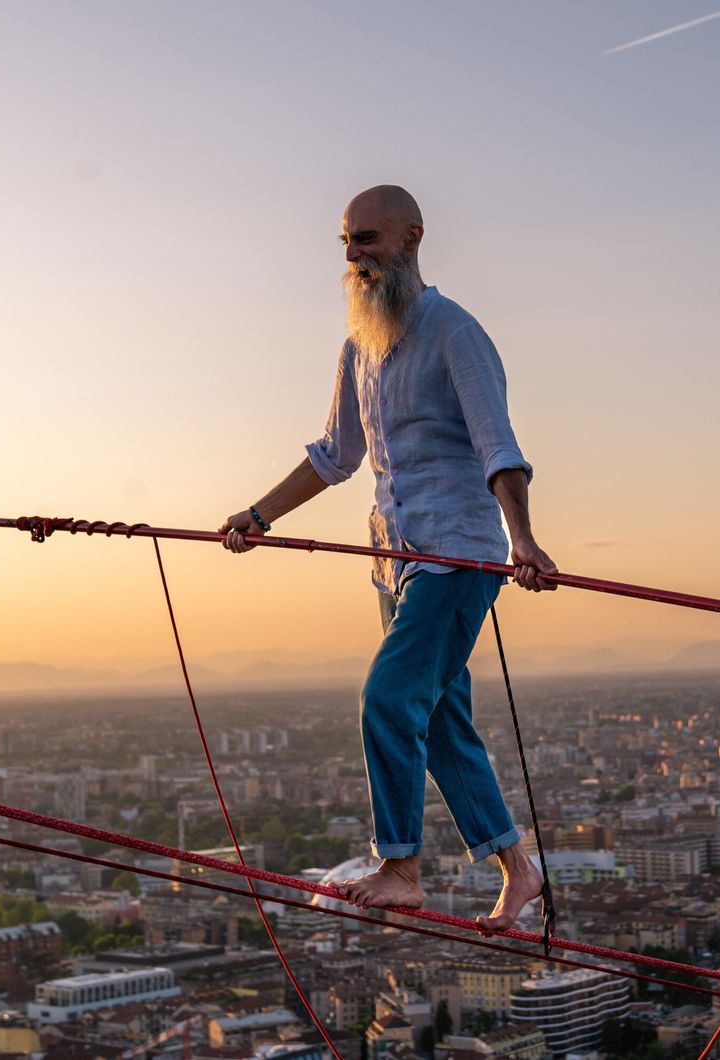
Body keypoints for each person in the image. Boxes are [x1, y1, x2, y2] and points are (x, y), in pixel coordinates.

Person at [218, 184, 558, 933]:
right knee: (437, 722)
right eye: (345, 243)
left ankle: (401, 865)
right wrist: (259, 515)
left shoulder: (455, 333)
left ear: (411, 237)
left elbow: (498, 446)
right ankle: (518, 867)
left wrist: (523, 539)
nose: (353, 257)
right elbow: (335, 455)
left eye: (366, 240)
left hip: (457, 556)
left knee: (387, 698)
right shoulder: (359, 348)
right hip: (393, 563)